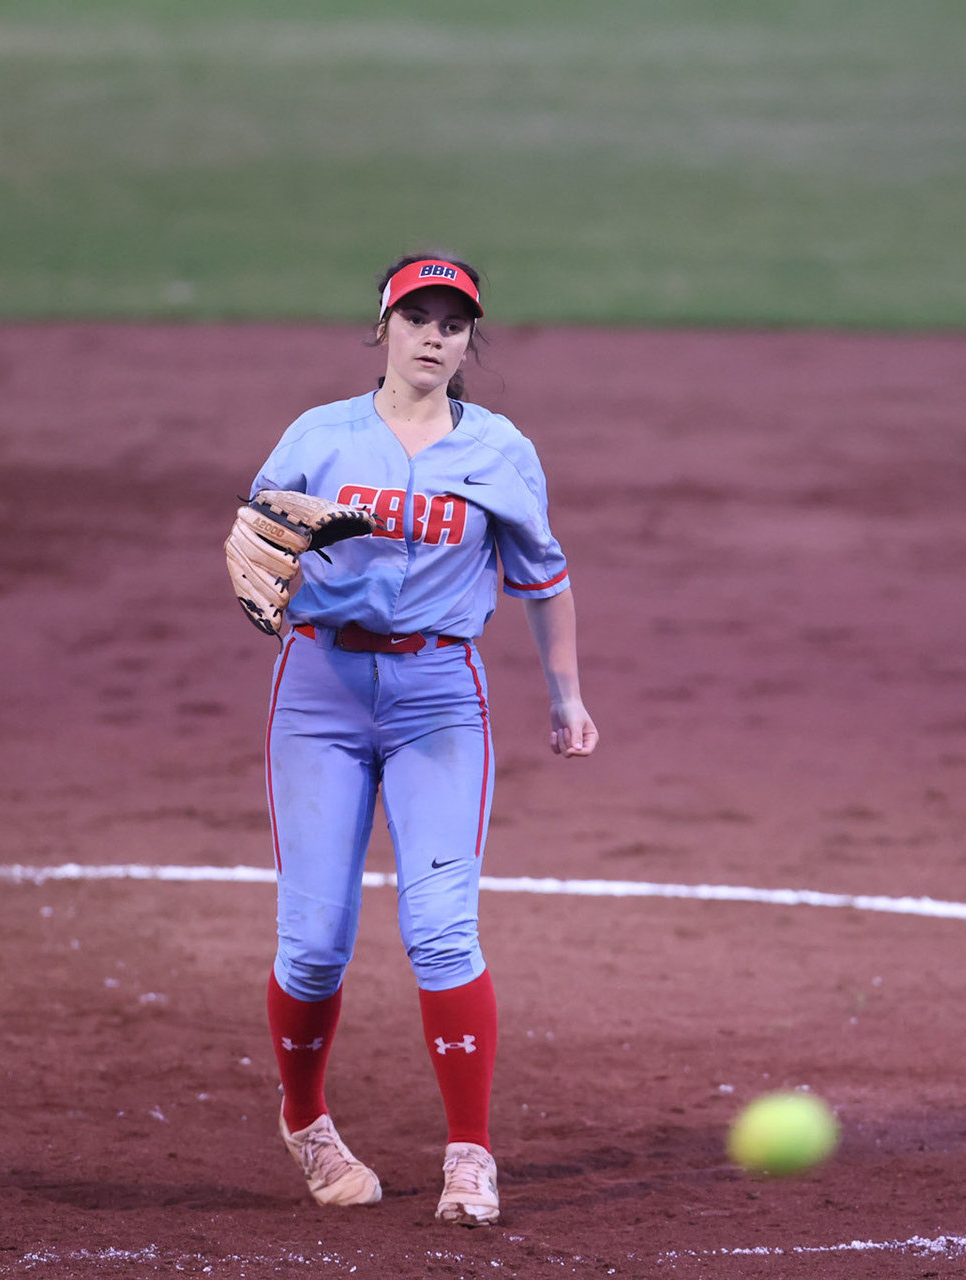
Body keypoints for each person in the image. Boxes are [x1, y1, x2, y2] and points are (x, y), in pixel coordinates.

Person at [243, 253, 598, 1227]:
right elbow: (256, 537)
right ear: (385, 324)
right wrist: (265, 555)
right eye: (418, 317)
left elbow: (545, 577)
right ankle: (306, 1118)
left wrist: (566, 697)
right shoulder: (320, 436)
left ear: (470, 339)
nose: (435, 335)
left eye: (453, 321)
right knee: (313, 946)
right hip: (319, 692)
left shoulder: (500, 451)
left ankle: (470, 1155)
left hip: (440, 695)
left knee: (442, 931)